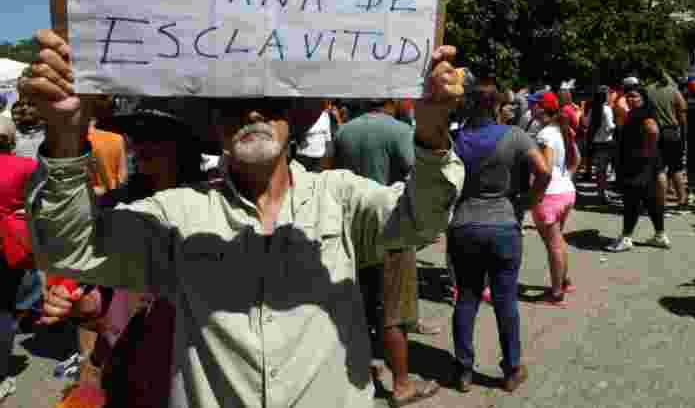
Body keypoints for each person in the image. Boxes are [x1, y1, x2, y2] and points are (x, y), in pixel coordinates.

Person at [18, 29, 464, 408]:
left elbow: (421, 221)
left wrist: (430, 130)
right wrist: (65, 134)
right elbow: (68, 248)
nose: (252, 113)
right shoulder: (177, 212)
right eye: (234, 105)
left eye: (269, 102)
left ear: (292, 118)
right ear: (215, 125)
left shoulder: (342, 197)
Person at [40, 99, 204, 408]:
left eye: (155, 135)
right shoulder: (114, 207)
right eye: (136, 135)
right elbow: (99, 298)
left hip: (190, 363)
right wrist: (78, 303)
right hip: (127, 363)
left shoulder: (212, 207)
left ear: (184, 144)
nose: (140, 145)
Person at [333, 97, 443, 405]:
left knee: (363, 304)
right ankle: (402, 384)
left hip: (354, 227)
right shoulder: (398, 131)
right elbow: (419, 175)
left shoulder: (344, 131)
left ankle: (365, 369)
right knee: (394, 310)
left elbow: (330, 174)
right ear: (392, 99)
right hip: (392, 225)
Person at [450, 75, 550, 393]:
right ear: (496, 104)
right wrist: (530, 200)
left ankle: (463, 371)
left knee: (466, 297)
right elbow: (544, 171)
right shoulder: (515, 136)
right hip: (504, 225)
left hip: (464, 225)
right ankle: (510, 370)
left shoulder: (455, 138)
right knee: (506, 301)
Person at [0, 117, 37, 401]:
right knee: (5, 309)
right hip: (10, 244)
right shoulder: (27, 166)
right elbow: (44, 204)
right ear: (12, 140)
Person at [606, 82, 667, 252]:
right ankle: (660, 235)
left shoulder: (641, 114)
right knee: (649, 199)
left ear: (643, 98)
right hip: (645, 163)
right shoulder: (637, 113)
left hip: (637, 164)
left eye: (635, 96)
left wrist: (646, 151)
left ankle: (626, 237)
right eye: (629, 96)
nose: (630, 99)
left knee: (631, 200)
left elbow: (653, 130)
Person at [531, 92, 578, 305]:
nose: (531, 109)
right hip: (566, 191)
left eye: (534, 105)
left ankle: (556, 292)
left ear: (541, 109)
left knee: (554, 245)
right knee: (558, 241)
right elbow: (575, 159)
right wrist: (566, 176)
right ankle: (564, 281)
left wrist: (535, 195)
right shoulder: (562, 130)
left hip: (550, 195)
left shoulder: (545, 135)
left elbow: (545, 170)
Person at [648, 73, 689, 213]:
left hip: (653, 132)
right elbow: (682, 116)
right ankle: (682, 201)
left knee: (658, 170)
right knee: (676, 169)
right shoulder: (674, 92)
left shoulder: (647, 91)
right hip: (672, 133)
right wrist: (683, 136)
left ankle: (660, 203)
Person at [587, 86, 616, 204]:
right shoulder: (607, 109)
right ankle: (603, 194)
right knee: (604, 170)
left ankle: (600, 192)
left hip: (596, 142)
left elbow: (586, 123)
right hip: (606, 142)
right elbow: (610, 127)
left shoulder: (592, 109)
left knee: (600, 170)